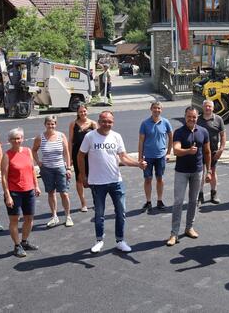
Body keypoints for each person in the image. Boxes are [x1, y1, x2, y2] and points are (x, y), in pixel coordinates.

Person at [78, 111, 146, 254]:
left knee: (121, 212)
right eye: (104, 121)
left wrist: (137, 164)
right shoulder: (90, 137)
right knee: (99, 213)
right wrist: (83, 176)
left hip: (116, 181)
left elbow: (123, 157)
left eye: (109, 122)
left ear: (113, 122)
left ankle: (120, 241)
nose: (106, 124)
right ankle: (99, 240)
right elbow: (80, 155)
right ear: (99, 121)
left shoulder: (117, 136)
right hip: (97, 182)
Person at [167, 107, 211, 246]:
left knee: (193, 200)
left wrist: (209, 171)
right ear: (185, 117)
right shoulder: (179, 132)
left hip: (197, 171)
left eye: (194, 117)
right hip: (181, 171)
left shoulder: (203, 131)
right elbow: (176, 151)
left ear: (197, 117)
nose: (191, 119)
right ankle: (174, 234)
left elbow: (207, 152)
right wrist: (188, 151)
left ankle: (189, 228)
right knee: (178, 202)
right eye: (189, 117)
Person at [1, 128, 41, 258]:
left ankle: (24, 242)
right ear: (9, 141)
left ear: (22, 139)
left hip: (29, 191)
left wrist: (36, 186)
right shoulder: (7, 155)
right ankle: (17, 245)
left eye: (19, 138)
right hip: (14, 193)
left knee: (29, 218)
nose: (17, 141)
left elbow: (32, 170)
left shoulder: (28, 151)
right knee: (15, 220)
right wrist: (7, 195)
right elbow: (4, 177)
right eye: (14, 139)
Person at [32, 115, 73, 228]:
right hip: (47, 170)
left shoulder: (61, 136)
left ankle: (68, 216)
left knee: (64, 193)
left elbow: (66, 153)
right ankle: (54, 216)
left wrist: (68, 168)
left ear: (56, 124)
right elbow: (34, 151)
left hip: (60, 168)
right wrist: (38, 162)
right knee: (51, 193)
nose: (51, 126)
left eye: (53, 123)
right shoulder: (40, 137)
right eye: (49, 123)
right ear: (45, 124)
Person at [138, 101, 173, 211]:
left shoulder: (166, 122)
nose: (157, 110)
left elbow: (171, 137)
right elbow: (141, 141)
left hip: (160, 156)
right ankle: (148, 201)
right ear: (151, 109)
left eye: (159, 108)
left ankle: (159, 200)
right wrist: (140, 158)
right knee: (148, 179)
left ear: (161, 110)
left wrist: (168, 153)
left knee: (160, 178)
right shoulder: (145, 123)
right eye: (155, 108)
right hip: (148, 156)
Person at [68, 104, 97, 212]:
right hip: (77, 155)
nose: (83, 113)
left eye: (84, 111)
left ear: (87, 111)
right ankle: (83, 203)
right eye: (80, 112)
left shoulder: (93, 124)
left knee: (93, 178)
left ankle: (96, 201)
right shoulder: (73, 124)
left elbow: (98, 139)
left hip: (91, 155)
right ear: (77, 113)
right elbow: (70, 141)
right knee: (79, 178)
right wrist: (70, 157)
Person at [197, 99, 226, 204]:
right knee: (200, 173)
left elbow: (223, 135)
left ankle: (214, 194)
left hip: (213, 151)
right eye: (206, 106)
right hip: (200, 152)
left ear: (213, 108)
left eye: (209, 106)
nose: (207, 108)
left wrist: (221, 149)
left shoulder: (218, 119)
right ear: (203, 107)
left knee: (213, 172)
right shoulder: (197, 119)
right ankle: (200, 195)